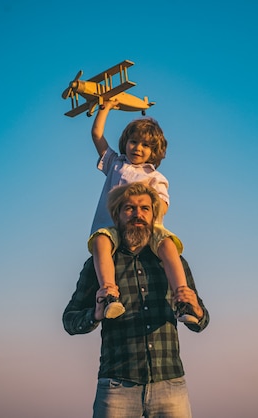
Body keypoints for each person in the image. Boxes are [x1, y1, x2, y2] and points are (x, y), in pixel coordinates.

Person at [63, 182, 210, 418]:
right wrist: (96, 314)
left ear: (154, 215)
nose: (137, 214)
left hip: (170, 384)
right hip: (117, 386)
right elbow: (69, 320)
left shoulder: (174, 263)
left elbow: (201, 322)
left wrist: (197, 311)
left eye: (144, 208)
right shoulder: (99, 265)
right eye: (129, 208)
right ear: (117, 215)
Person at [87, 99, 198, 324]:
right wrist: (105, 107)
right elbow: (97, 135)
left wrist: (145, 212)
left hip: (144, 228)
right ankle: (109, 294)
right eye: (133, 141)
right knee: (100, 240)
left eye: (145, 145)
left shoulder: (155, 177)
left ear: (154, 151)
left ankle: (182, 297)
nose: (137, 148)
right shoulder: (116, 164)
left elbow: (163, 206)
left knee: (168, 244)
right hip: (113, 227)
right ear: (125, 143)